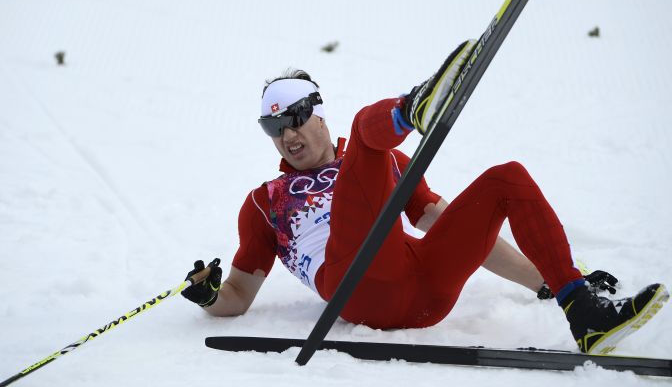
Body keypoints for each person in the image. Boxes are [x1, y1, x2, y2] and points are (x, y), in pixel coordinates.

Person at [182, 41, 669, 354]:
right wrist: (210, 298)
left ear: (317, 113)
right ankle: (412, 108)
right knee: (368, 138)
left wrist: (548, 279)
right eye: (273, 127)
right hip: (355, 287)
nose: (287, 134)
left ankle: (582, 312)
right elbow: (240, 294)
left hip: (426, 290)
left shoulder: (386, 163)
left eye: (294, 118)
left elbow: (441, 220)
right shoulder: (265, 201)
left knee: (508, 178)